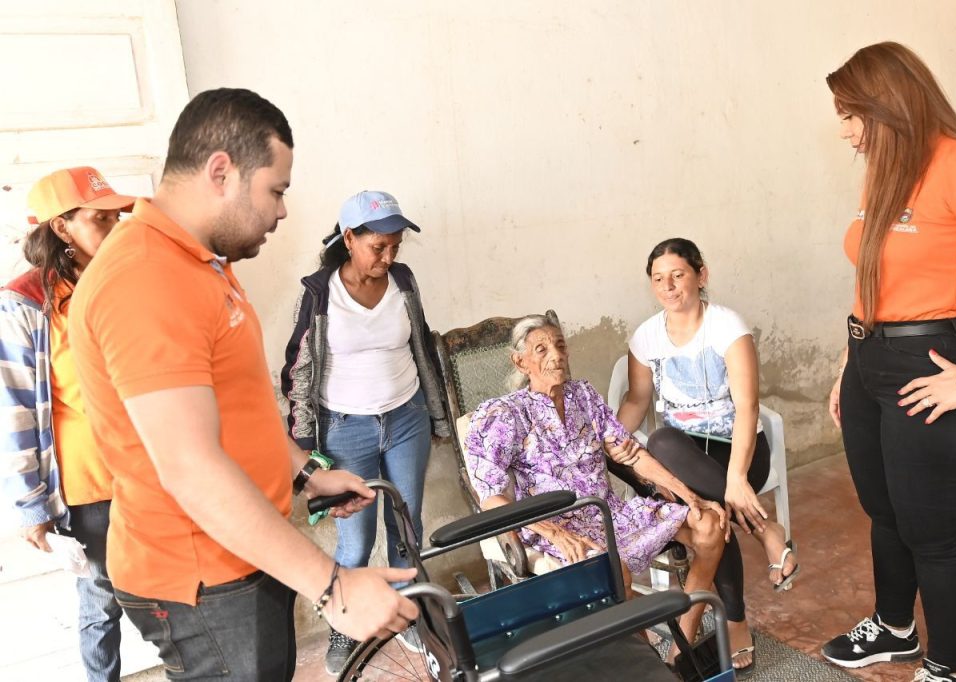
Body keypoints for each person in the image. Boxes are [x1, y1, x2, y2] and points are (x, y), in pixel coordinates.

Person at [67, 88, 418, 681]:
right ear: (222, 172)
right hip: (203, 577)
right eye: (276, 190)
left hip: (243, 551)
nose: (283, 210)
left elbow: (238, 406)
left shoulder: (201, 262)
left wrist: (304, 472)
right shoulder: (145, 278)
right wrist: (332, 588)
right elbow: (191, 468)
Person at [820, 42, 956, 682]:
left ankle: (947, 668)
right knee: (885, 514)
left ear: (889, 102)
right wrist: (847, 365)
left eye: (852, 115)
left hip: (933, 364)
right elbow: (873, 276)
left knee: (931, 530)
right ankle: (895, 627)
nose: (847, 132)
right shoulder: (887, 169)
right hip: (868, 363)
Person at [463, 312, 729, 646]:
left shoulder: (583, 395)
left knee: (709, 526)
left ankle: (681, 650)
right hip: (555, 528)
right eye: (541, 349)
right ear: (520, 362)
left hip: (610, 514)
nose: (556, 355)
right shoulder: (504, 415)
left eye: (559, 345)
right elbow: (489, 496)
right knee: (615, 572)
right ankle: (647, 663)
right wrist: (556, 533)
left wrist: (687, 494)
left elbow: (628, 452)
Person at [281, 190, 450, 674]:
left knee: (407, 524)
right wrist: (307, 449)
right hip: (344, 429)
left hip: (405, 419)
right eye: (379, 246)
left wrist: (434, 415)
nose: (388, 255)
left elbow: (422, 343)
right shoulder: (319, 292)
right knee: (355, 539)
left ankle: (407, 616)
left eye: (396, 245)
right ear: (349, 238)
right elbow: (297, 368)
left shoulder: (403, 281)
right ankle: (345, 624)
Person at [615, 237, 798, 678]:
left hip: (740, 449)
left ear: (701, 274)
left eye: (678, 275)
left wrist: (736, 476)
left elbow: (748, 407)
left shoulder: (726, 326)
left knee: (707, 501)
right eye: (658, 279)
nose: (669, 286)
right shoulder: (647, 336)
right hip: (684, 455)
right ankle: (764, 530)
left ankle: (733, 620)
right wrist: (608, 440)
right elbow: (638, 401)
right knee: (661, 445)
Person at [1, 167, 134, 681]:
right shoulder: (25, 302)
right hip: (89, 484)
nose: (115, 228)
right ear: (62, 229)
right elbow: (12, 408)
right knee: (102, 603)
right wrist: (30, 504)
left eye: (117, 216)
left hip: (146, 471)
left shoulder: (121, 281)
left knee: (168, 589)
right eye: (101, 219)